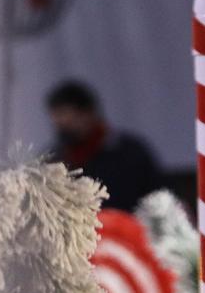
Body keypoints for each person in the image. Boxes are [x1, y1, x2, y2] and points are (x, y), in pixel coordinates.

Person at [45, 79, 162, 213]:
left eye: (66, 115)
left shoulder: (129, 153)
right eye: (56, 117)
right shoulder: (54, 161)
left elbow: (155, 200)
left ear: (87, 114)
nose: (61, 123)